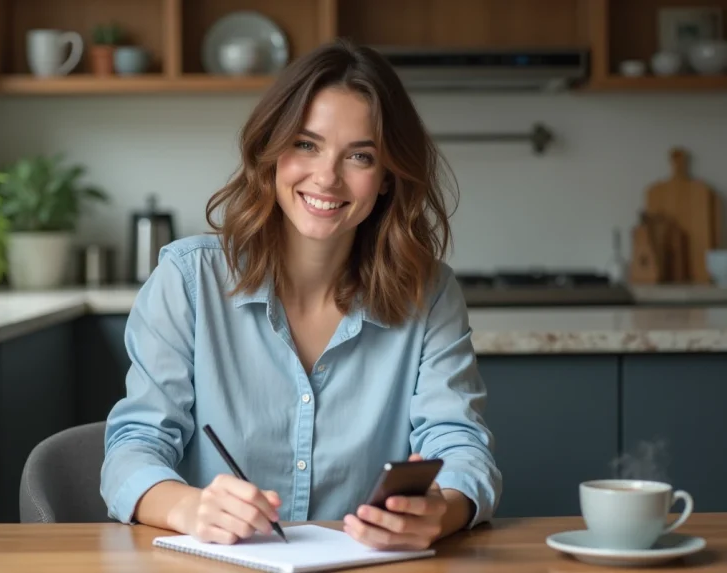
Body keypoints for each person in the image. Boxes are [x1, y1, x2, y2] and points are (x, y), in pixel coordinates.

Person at [100, 38, 502, 551]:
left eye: (359, 156)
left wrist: (439, 513)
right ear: (271, 150)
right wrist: (188, 506)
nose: (327, 178)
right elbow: (133, 450)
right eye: (306, 145)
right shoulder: (188, 280)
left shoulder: (431, 295)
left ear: (385, 179)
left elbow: (462, 448)